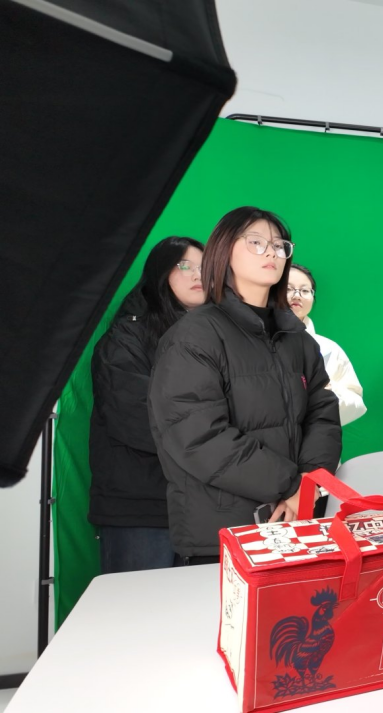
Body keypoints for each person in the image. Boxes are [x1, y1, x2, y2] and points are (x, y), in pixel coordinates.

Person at [148, 207, 341, 565]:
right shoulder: (194, 336)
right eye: (256, 242)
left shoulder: (297, 338)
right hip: (224, 533)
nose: (271, 252)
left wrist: (309, 483)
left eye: (280, 245)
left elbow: (323, 415)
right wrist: (290, 485)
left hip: (297, 525)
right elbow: (198, 436)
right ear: (224, 250)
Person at [88, 236, 206, 573]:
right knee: (136, 606)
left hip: (204, 510)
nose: (197, 275)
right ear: (160, 273)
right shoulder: (126, 337)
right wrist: (213, 443)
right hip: (140, 507)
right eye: (184, 265)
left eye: (204, 267)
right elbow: (137, 417)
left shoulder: (221, 338)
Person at [287, 264, 367, 426]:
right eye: (287, 289)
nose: (297, 296)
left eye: (305, 290)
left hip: (314, 435)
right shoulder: (252, 342)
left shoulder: (329, 349)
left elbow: (357, 403)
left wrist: (329, 391)